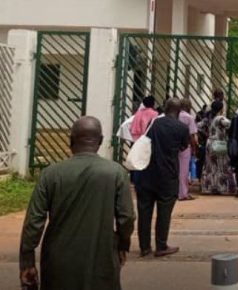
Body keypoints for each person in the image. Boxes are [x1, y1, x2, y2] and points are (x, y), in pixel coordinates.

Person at [19, 116, 135, 290]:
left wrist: (27, 261)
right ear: (101, 141)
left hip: (58, 262)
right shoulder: (116, 172)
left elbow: (34, 221)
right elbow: (126, 217)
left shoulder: (50, 174)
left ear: (70, 141)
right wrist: (122, 244)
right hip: (102, 258)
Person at [137, 98, 189, 257]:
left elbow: (145, 141)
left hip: (146, 172)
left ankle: (144, 247)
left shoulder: (154, 123)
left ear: (164, 109)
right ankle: (161, 245)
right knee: (164, 210)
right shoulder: (181, 127)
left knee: (144, 210)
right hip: (168, 173)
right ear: (179, 111)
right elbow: (183, 146)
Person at [200, 100, 237, 195]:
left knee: (210, 166)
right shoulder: (220, 118)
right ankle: (222, 187)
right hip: (218, 144)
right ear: (221, 109)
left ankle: (208, 187)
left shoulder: (208, 118)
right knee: (222, 166)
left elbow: (198, 126)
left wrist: (206, 134)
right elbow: (230, 124)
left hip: (210, 142)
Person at [178, 98, 199, 201]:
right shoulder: (189, 118)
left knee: (174, 169)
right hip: (185, 146)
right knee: (184, 171)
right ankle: (183, 193)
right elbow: (192, 135)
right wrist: (194, 149)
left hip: (173, 145)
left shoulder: (175, 115)